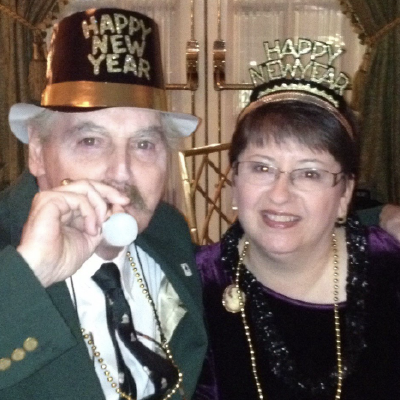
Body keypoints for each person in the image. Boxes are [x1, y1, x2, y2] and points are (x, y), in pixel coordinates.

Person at [0, 6, 207, 400]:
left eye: (145, 144)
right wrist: (30, 274)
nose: (122, 173)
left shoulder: (168, 231)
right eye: (90, 141)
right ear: (38, 152)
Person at [194, 77, 400, 399]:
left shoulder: (390, 271)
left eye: (309, 173)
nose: (279, 195)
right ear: (234, 179)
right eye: (261, 168)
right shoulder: (197, 285)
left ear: (345, 192)